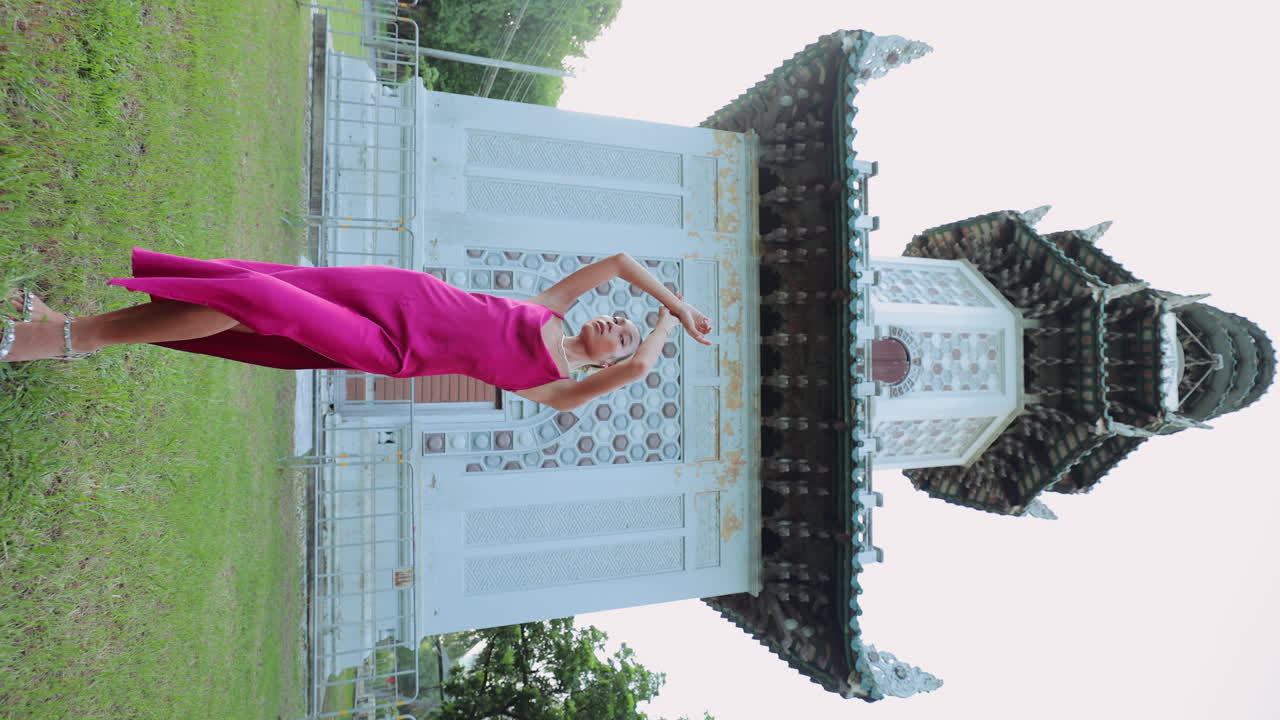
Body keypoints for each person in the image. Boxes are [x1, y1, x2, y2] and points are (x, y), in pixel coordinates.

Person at [2, 248, 713, 411]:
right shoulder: (551, 308)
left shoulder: (556, 384)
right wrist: (668, 295)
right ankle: (68, 327)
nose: (617, 325)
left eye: (621, 334)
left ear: (606, 361)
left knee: (258, 301)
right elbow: (619, 260)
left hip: (390, 347)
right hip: (391, 290)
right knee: (250, 288)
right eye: (620, 318)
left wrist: (664, 324)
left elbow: (644, 371)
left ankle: (64, 341)